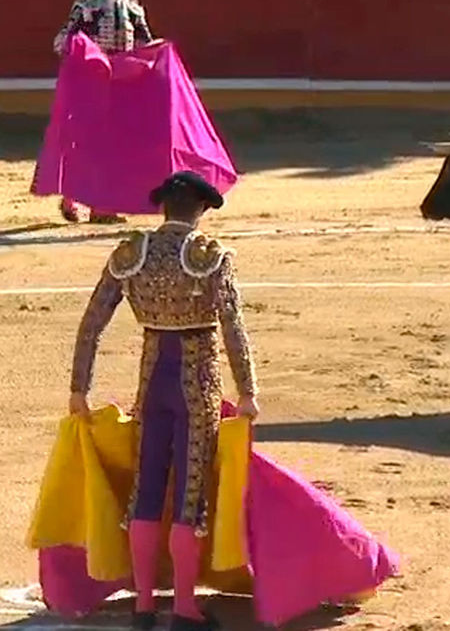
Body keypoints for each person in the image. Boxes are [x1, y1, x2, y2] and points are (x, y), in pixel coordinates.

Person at [68, 170, 260, 631]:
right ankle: (186, 609)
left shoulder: (132, 254)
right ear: (202, 209)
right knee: (190, 495)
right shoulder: (210, 257)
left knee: (147, 489)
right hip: (197, 383)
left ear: (162, 208)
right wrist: (248, 391)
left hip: (151, 380)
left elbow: (92, 322)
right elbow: (232, 327)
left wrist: (79, 388)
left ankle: (143, 606)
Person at [50, 0, 158, 224]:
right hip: (91, 83)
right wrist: (85, 58)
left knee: (114, 143)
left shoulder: (134, 9)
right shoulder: (88, 5)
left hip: (122, 85)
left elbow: (144, 44)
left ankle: (101, 205)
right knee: (85, 141)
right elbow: (66, 39)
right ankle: (73, 196)